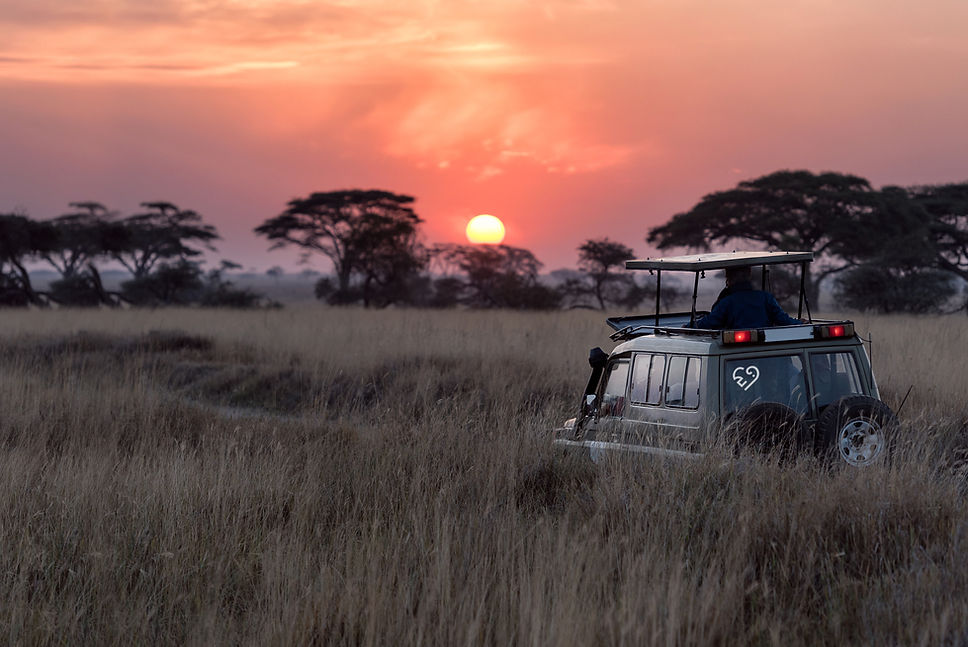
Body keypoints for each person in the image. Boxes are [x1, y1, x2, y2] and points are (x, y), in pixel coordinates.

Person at [693, 265, 800, 329]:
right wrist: (800, 323)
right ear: (749, 274)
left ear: (728, 276)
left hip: (734, 354)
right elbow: (783, 320)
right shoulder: (766, 298)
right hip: (766, 350)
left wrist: (690, 327)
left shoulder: (726, 302)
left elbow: (711, 322)